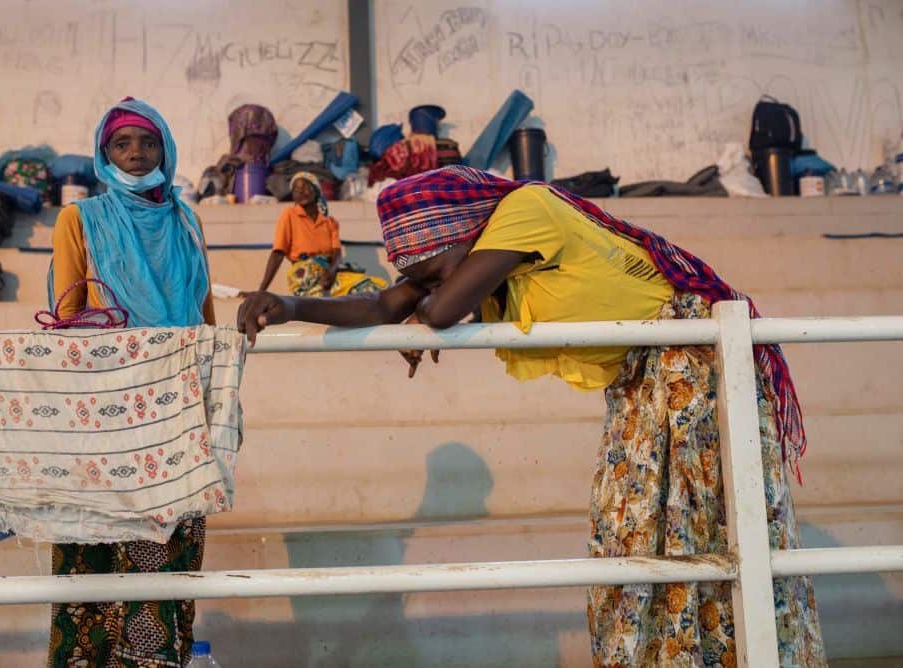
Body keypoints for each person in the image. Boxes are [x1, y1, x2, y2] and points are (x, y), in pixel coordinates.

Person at [237, 166, 826, 666]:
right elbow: (389, 302)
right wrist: (287, 304)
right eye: (419, 274)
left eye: (435, 266)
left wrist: (428, 309)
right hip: (644, 379)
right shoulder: (476, 252)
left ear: (461, 232)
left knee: (708, 529)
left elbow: (439, 308)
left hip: (697, 367)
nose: (429, 283)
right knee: (640, 530)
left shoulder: (527, 208)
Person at [47, 97, 214, 667]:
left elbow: (203, 312)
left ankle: (155, 657)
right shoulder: (81, 218)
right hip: (105, 410)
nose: (137, 154)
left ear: (165, 148)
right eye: (122, 143)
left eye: (148, 142)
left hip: (178, 410)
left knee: (166, 553)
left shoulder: (186, 220)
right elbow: (66, 316)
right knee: (92, 552)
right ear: (104, 153)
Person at [256, 172, 384, 297]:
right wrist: (261, 291)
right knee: (310, 284)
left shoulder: (330, 222)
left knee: (371, 288)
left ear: (316, 190)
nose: (300, 191)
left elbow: (336, 253)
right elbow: (277, 253)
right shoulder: (289, 215)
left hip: (328, 273)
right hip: (305, 273)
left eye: (305, 187)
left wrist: (331, 272)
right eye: (296, 189)